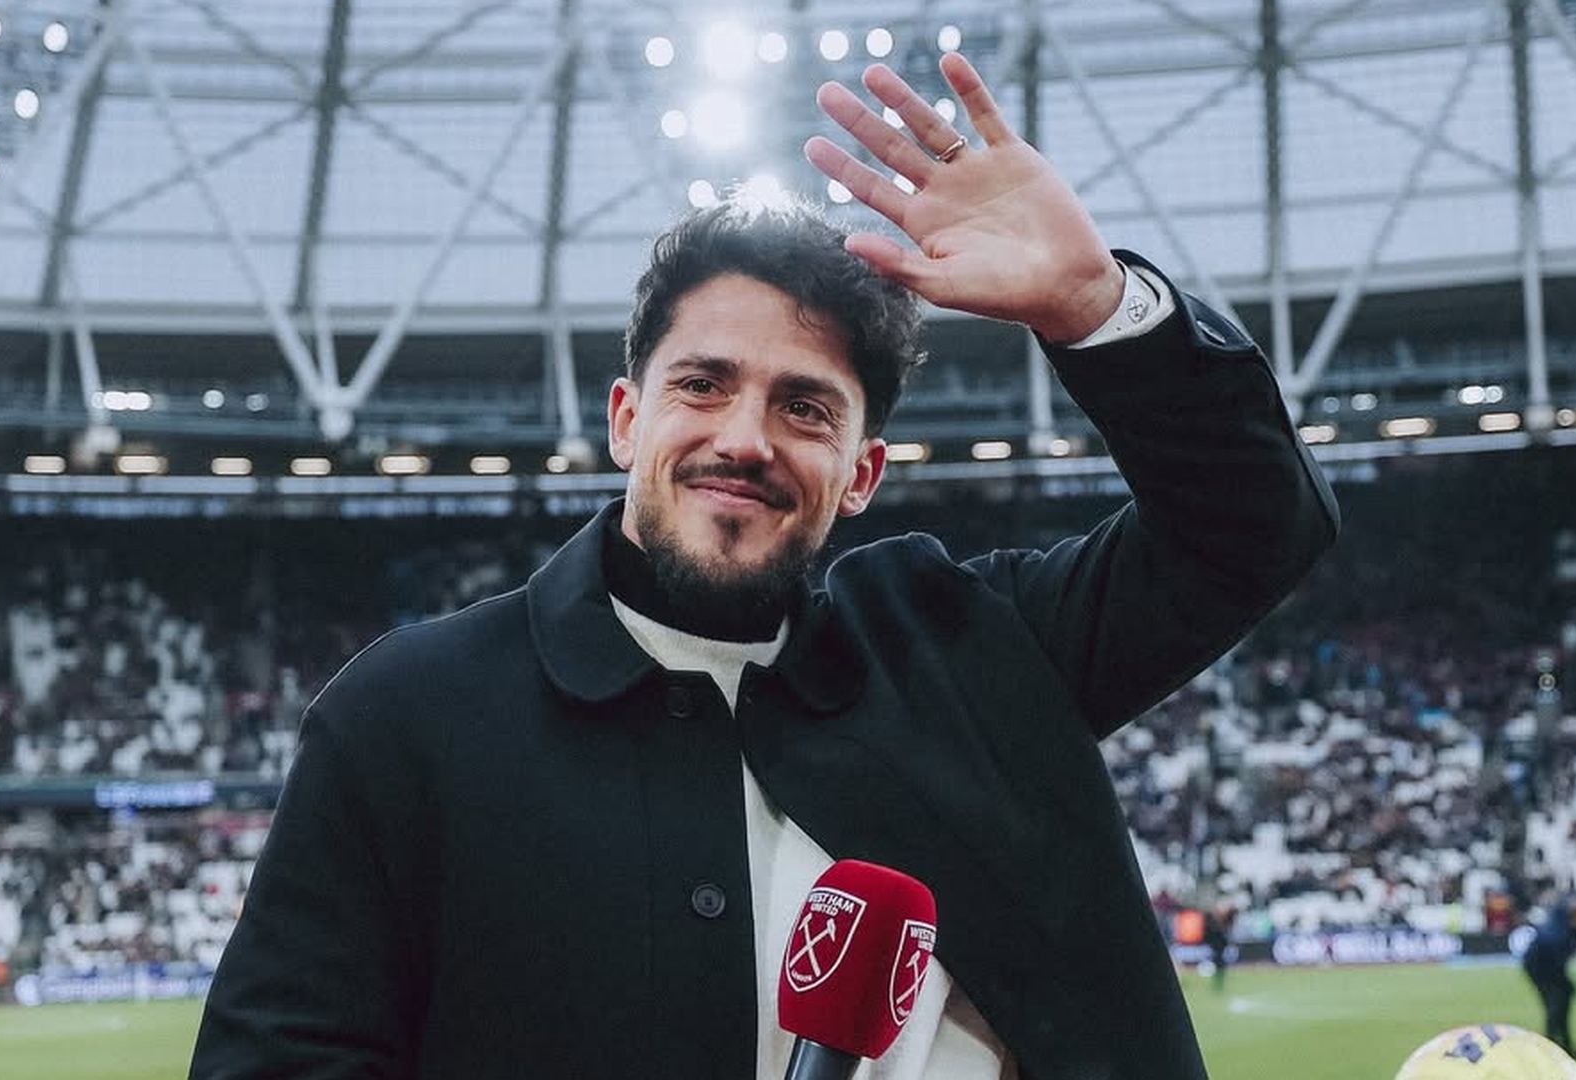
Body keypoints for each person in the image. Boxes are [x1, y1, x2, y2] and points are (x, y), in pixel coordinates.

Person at [188, 52, 1338, 1080]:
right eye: (704, 384)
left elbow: (1253, 527)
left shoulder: (975, 648)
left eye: (803, 406)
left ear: (862, 471)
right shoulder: (408, 719)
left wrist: (1095, 308)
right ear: (628, 418)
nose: (744, 436)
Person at [1522, 894, 1576, 1060]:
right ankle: (1551, 1044)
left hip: (1548, 966)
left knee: (1563, 997)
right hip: (1540, 966)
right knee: (1555, 1004)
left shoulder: (1565, 925)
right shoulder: (1562, 930)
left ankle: (1563, 1045)